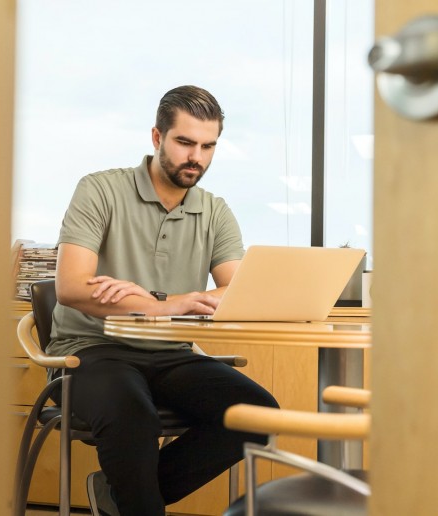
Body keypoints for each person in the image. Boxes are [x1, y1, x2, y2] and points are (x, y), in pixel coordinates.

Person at [47, 85, 279, 516]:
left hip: (172, 353)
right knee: (134, 415)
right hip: (90, 352)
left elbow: (235, 291)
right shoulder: (100, 190)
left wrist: (159, 302)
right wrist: (164, 304)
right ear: (157, 138)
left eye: (209, 146)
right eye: (185, 142)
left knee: (258, 413)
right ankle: (136, 500)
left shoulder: (215, 211)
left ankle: (123, 495)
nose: (198, 157)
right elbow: (72, 288)